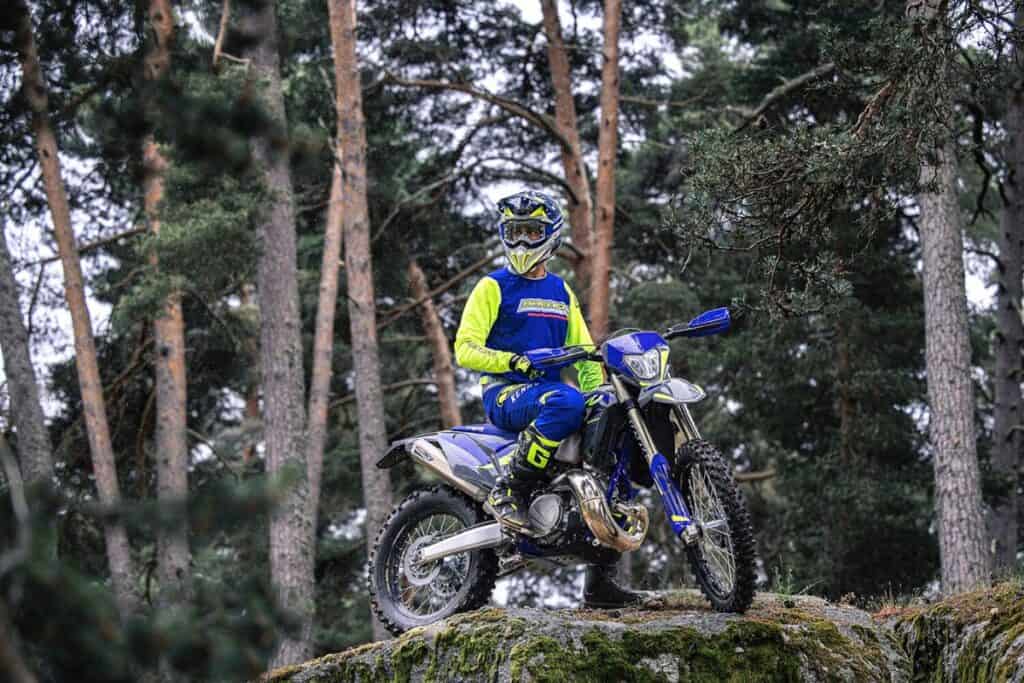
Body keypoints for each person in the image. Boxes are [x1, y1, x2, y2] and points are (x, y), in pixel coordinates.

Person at [454, 189, 644, 608]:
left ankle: (601, 583)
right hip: (505, 394)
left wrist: (601, 392)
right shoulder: (493, 287)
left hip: (550, 395)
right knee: (567, 401)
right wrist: (513, 362)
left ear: (550, 235)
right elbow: (465, 348)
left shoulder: (561, 292)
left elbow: (586, 352)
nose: (522, 240)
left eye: (531, 231)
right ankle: (512, 488)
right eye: (514, 231)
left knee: (612, 438)